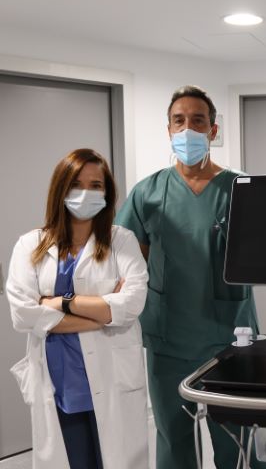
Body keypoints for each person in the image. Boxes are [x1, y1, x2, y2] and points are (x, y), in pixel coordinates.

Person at [115, 85, 266, 469]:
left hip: (231, 337)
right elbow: (129, 264)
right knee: (174, 440)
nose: (188, 129)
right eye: (179, 121)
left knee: (239, 441)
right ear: (169, 130)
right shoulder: (148, 193)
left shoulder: (243, 189)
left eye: (198, 121)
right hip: (168, 340)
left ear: (213, 130)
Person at [6, 148, 149, 469]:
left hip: (113, 379)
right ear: (60, 188)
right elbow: (23, 315)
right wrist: (103, 315)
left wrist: (61, 303)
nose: (86, 193)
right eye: (76, 184)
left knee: (116, 460)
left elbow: (132, 304)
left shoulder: (122, 242)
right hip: (60, 383)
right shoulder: (30, 245)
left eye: (96, 185)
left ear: (107, 193)